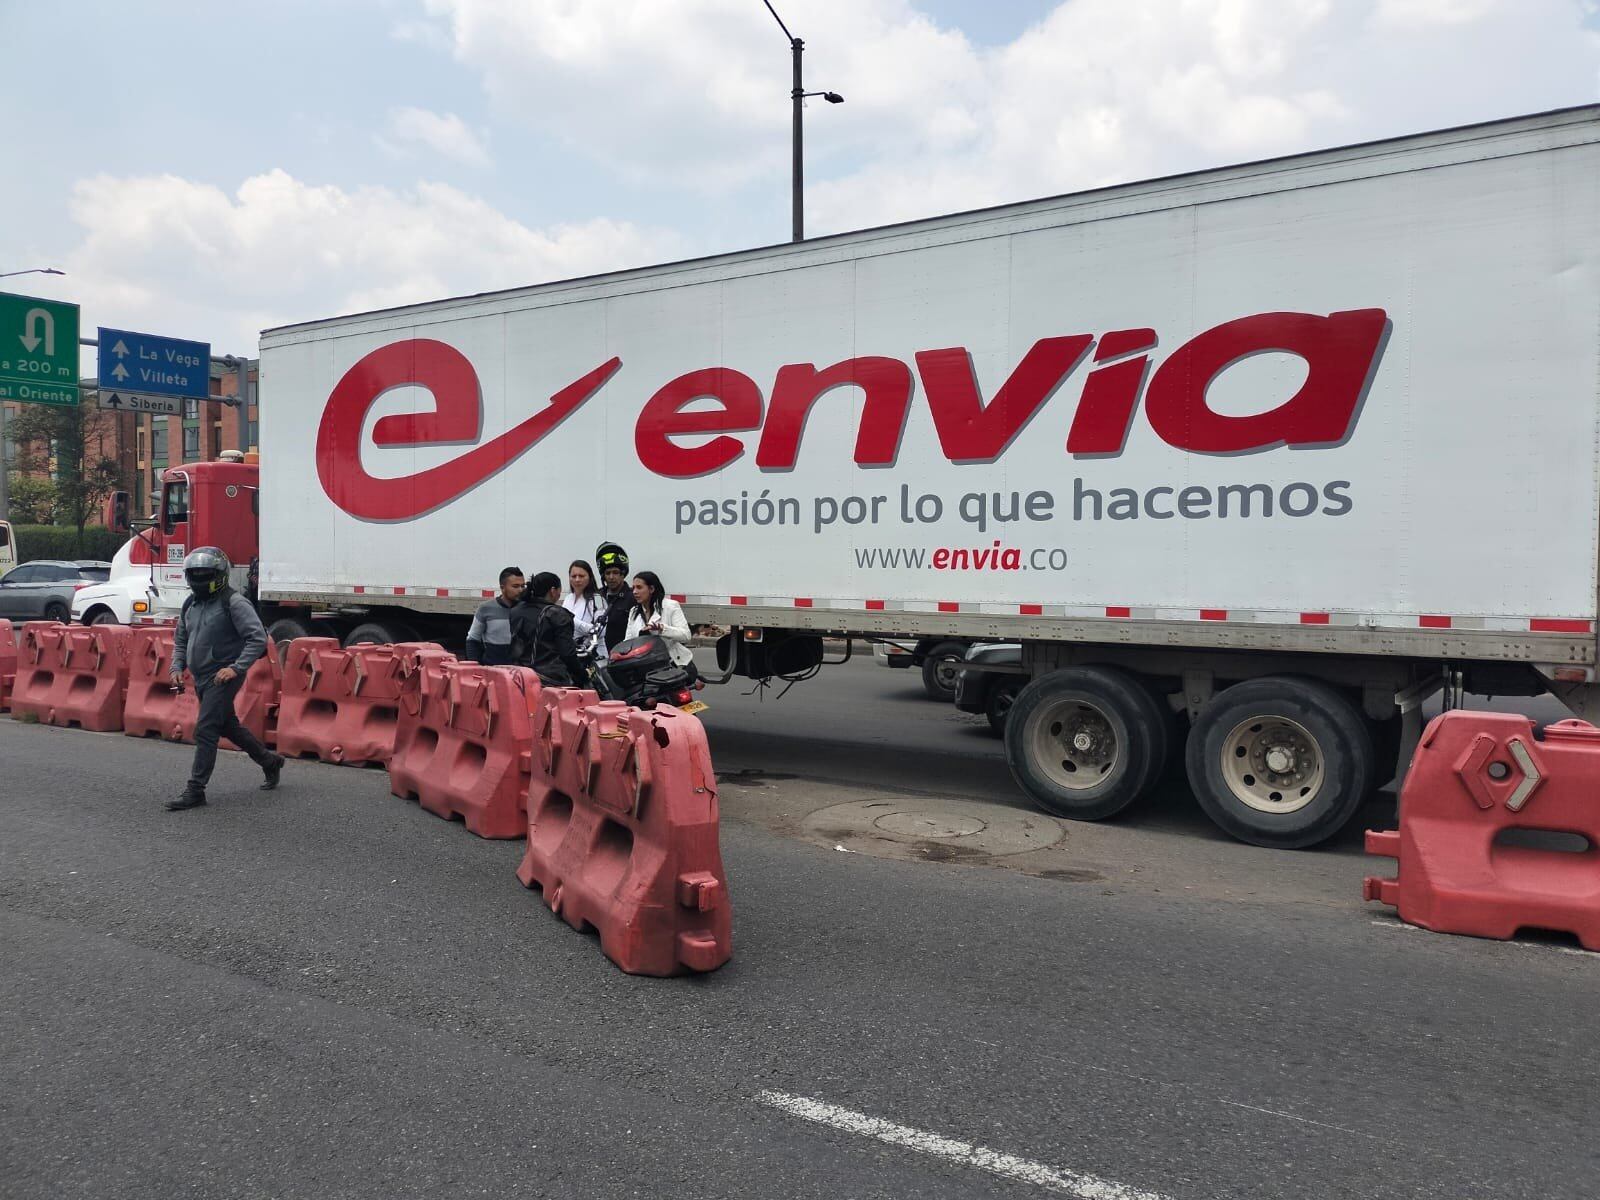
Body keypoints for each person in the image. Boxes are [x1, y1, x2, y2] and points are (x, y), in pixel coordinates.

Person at [166, 546, 285, 812]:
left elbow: (257, 638)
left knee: (205, 729)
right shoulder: (191, 603)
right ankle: (269, 761)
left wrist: (236, 667)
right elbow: (181, 638)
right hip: (202, 676)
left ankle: (195, 790)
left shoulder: (234, 602)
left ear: (219, 575)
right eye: (194, 574)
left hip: (224, 676)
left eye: (205, 574)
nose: (199, 578)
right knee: (227, 726)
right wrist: (177, 666)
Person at [516, 571, 588, 686]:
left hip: (519, 676)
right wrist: (583, 675)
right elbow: (568, 654)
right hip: (549, 679)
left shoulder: (517, 610)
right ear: (553, 590)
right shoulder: (558, 615)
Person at [625, 570, 695, 671]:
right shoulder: (634, 611)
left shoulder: (670, 606)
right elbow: (628, 641)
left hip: (674, 665)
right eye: (633, 588)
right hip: (646, 666)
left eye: (639, 587)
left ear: (651, 589)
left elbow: (686, 636)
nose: (635, 592)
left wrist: (663, 629)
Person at [464, 567, 525, 664]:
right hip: (493, 671)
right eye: (515, 586)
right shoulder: (485, 608)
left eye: (523, 586)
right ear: (502, 587)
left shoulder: (526, 609)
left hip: (520, 672)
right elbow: (473, 640)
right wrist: (474, 667)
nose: (521, 590)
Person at [562, 559, 606, 669]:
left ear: (590, 577)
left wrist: (571, 620)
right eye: (573, 576)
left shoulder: (597, 599)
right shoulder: (568, 598)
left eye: (581, 576)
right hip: (574, 655)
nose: (577, 580)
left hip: (594, 656)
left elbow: (600, 631)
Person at [595, 542, 633, 654]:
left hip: (624, 654)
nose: (611, 577)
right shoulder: (597, 596)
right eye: (608, 573)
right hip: (599, 655)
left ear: (623, 574)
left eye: (615, 572)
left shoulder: (633, 596)